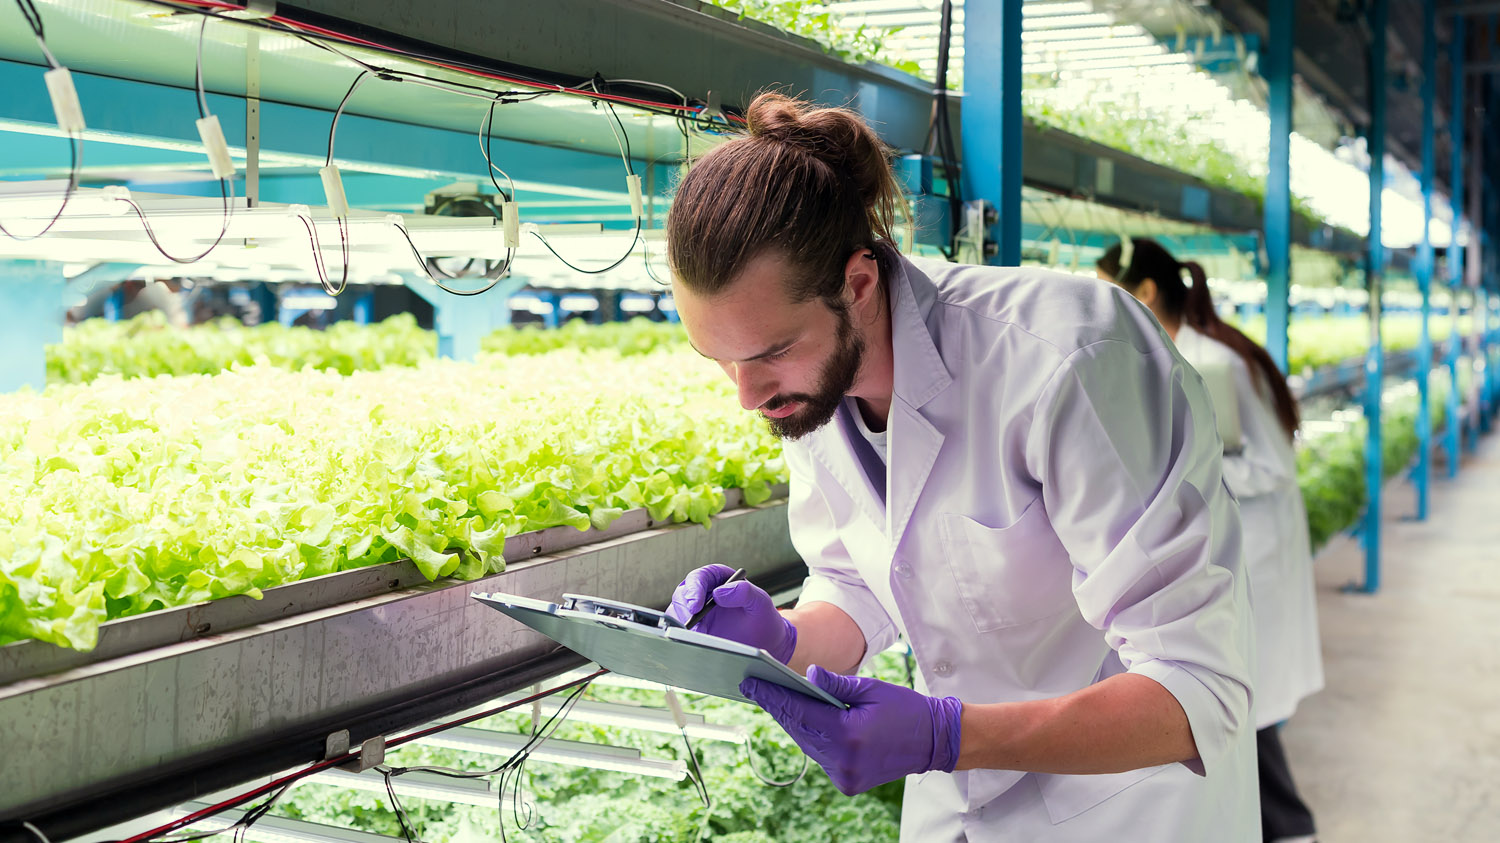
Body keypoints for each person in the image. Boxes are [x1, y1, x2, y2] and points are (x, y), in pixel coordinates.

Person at [662, 92, 1259, 841]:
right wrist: (781, 640)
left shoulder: (1069, 361)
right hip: (960, 808)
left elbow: (1198, 688)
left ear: (858, 284)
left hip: (1124, 809)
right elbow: (860, 588)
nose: (747, 395)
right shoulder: (811, 391)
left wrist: (948, 735)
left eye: (771, 352)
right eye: (719, 361)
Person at [1098, 238, 1323, 843]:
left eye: (1108, 291)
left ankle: (1292, 830)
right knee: (1237, 717)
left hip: (1258, 559)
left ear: (1143, 292)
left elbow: (1272, 466)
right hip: (1238, 556)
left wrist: (1188, 468)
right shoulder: (1187, 349)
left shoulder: (1210, 358)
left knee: (1240, 715)